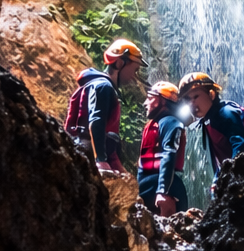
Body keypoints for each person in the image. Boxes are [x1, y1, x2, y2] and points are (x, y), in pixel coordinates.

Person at [64, 39, 147, 172]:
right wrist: (101, 161)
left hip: (82, 147)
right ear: (120, 63)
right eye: (135, 70)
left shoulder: (98, 85)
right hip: (87, 150)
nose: (134, 77)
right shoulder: (104, 87)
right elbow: (96, 121)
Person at [178, 72, 244, 180]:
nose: (191, 103)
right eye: (187, 99)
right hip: (242, 172)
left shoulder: (226, 113)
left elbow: (240, 145)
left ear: (211, 94)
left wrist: (230, 173)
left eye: (195, 97)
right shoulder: (206, 123)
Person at [138, 81, 189, 216]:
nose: (145, 103)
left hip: (166, 186)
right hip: (150, 184)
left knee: (167, 226)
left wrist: (163, 190)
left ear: (163, 101)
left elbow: (169, 154)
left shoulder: (170, 122)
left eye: (150, 98)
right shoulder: (154, 125)